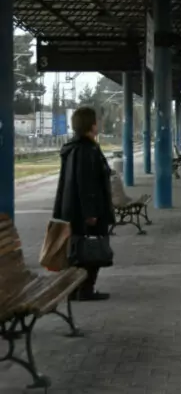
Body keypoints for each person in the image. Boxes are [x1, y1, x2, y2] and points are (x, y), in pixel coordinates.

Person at [52, 106, 115, 301]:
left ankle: (76, 289)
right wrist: (91, 213)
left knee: (80, 250)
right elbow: (86, 183)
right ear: (91, 124)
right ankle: (84, 289)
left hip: (73, 209)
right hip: (86, 211)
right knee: (90, 250)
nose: (99, 123)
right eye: (97, 120)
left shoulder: (74, 148)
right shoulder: (86, 150)